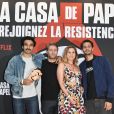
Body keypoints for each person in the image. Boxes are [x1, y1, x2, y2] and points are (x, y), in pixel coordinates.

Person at [4, 36, 43, 114]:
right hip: (18, 96)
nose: (28, 47)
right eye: (26, 44)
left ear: (33, 47)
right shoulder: (14, 60)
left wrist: (58, 58)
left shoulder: (38, 58)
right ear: (22, 46)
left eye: (31, 45)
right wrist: (21, 81)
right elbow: (7, 76)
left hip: (33, 96)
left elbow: (50, 58)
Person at [80, 40, 114, 114]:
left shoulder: (102, 60)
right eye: (84, 47)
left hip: (103, 101)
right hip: (88, 103)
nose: (87, 48)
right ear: (82, 50)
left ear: (92, 48)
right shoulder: (81, 66)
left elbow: (111, 80)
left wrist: (109, 99)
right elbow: (82, 84)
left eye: (89, 46)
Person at [57, 46, 86, 114]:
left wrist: (81, 88)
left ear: (76, 54)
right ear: (66, 54)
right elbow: (60, 83)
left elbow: (78, 81)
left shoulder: (77, 66)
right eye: (69, 52)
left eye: (73, 52)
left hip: (78, 96)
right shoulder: (62, 65)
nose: (71, 54)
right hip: (66, 96)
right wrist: (69, 97)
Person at [41, 43, 61, 114]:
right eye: (50, 50)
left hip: (60, 99)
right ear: (47, 52)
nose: (53, 52)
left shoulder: (61, 64)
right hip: (46, 99)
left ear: (57, 51)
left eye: (55, 50)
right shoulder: (41, 63)